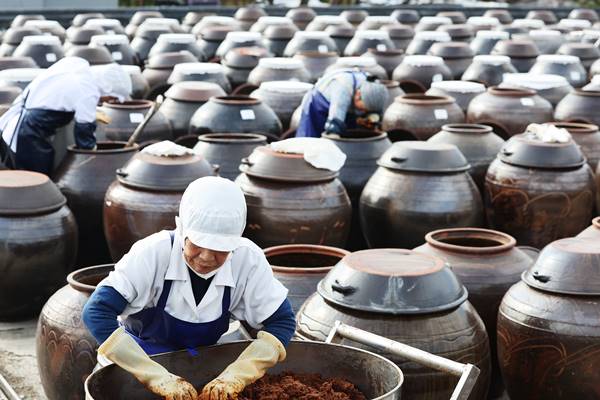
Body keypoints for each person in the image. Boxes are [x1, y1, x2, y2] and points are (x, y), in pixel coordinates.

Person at [82, 176, 296, 400]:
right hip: (131, 369)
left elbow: (282, 322)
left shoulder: (247, 260)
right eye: (197, 244)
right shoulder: (153, 253)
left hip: (196, 370)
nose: (206, 257)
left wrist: (238, 374)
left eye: (220, 249)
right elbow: (96, 312)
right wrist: (154, 376)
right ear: (182, 227)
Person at [0, 56, 131, 174]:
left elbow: (63, 99)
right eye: (110, 97)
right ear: (107, 88)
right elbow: (85, 139)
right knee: (35, 181)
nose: (106, 101)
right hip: (28, 133)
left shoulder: (78, 69)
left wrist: (91, 112)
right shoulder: (88, 89)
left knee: (22, 179)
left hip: (20, 125)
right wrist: (94, 158)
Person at [296, 69, 388, 138]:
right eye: (363, 109)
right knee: (310, 139)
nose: (363, 112)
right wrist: (333, 136)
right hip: (318, 104)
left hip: (346, 106)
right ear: (358, 95)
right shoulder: (342, 89)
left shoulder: (374, 86)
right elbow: (335, 122)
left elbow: (376, 114)